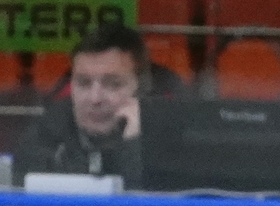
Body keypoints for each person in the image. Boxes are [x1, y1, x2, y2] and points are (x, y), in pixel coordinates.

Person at [10, 21, 176, 187]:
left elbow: (157, 197)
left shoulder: (174, 138)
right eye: (83, 83)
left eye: (113, 84)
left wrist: (133, 145)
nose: (95, 99)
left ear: (142, 88)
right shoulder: (47, 134)